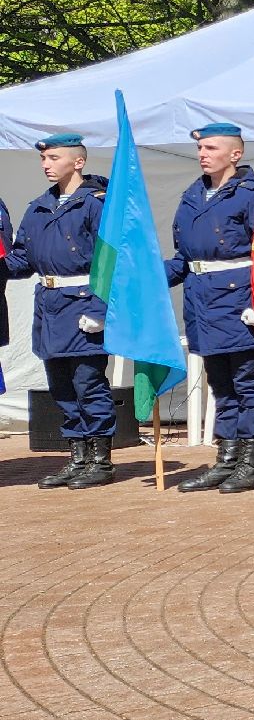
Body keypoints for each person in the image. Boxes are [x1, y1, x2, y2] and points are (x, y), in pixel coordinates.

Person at [3, 134, 115, 488]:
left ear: (78, 161)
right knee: (61, 387)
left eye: (53, 157)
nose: (46, 164)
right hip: (50, 307)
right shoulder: (39, 206)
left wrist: (100, 308)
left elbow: (110, 260)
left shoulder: (96, 204)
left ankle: (101, 460)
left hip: (84, 301)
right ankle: (77, 456)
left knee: (88, 383)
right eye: (43, 158)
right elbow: (22, 260)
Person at [164, 122, 254, 495]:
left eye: (210, 148)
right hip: (201, 301)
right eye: (200, 149)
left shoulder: (252, 194)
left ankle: (248, 463)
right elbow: (185, 258)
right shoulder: (193, 194)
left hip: (239, 300)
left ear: (235, 154)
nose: (202, 154)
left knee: (247, 385)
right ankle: (225, 459)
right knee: (221, 388)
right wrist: (148, 281)